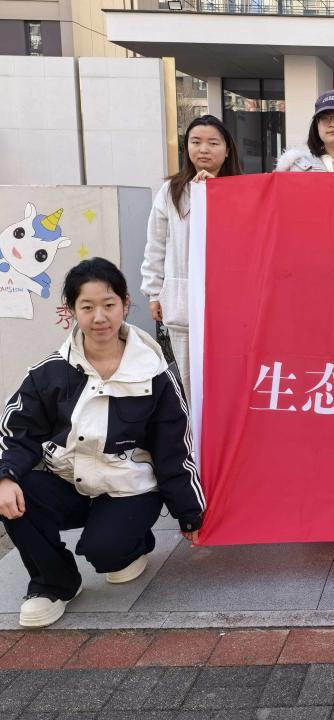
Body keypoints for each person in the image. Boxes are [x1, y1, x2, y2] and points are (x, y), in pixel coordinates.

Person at [0, 258, 205, 628]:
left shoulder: (154, 374)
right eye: (87, 307)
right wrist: (5, 476)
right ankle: (54, 583)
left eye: (109, 304)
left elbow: (174, 448)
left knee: (107, 553)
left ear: (125, 304)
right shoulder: (50, 372)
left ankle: (132, 544)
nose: (99, 317)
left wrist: (189, 510)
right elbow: (17, 430)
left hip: (128, 487)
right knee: (10, 491)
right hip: (69, 480)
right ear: (71, 311)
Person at [141, 114, 241, 400]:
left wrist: (217, 193)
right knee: (189, 382)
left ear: (227, 149)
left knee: (228, 379)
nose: (204, 149)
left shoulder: (241, 190)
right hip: (182, 302)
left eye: (213, 143)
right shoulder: (171, 191)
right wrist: (154, 292)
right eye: (196, 142)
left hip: (229, 304)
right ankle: (194, 430)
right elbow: (156, 244)